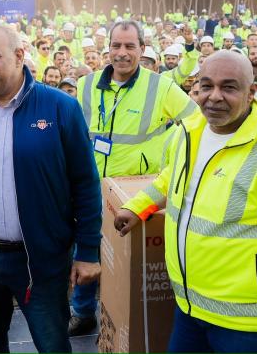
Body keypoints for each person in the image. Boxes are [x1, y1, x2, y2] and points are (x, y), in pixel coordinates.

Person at [114, 51, 257, 353]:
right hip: (189, 309)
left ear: (251, 94)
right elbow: (171, 178)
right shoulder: (190, 132)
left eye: (229, 87)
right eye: (206, 86)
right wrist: (139, 206)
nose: (214, 97)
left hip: (248, 326)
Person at [0, 25, 101, 353]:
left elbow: (85, 183)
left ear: (18, 56)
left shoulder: (60, 108)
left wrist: (87, 251)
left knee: (52, 344)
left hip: (40, 260)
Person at [71, 20, 196, 335]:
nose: (122, 53)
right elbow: (73, 135)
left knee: (124, 266)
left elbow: (196, 123)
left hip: (135, 196)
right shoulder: (85, 86)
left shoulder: (161, 87)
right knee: (85, 253)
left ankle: (125, 320)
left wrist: (170, 161)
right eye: (116, 46)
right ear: (108, 48)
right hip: (90, 191)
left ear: (142, 49)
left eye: (130, 46)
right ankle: (83, 313)